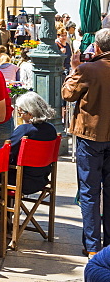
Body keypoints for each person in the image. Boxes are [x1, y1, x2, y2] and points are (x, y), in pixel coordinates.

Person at [62, 29, 110, 256]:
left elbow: (68, 94)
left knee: (90, 192)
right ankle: (107, 246)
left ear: (97, 48)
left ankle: (92, 247)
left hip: (91, 136)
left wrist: (73, 69)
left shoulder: (88, 69)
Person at [9, 92, 58, 194]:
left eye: (20, 112)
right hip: (41, 180)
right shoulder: (51, 129)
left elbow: (7, 152)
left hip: (19, 180)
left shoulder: (24, 129)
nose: (19, 115)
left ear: (30, 113)